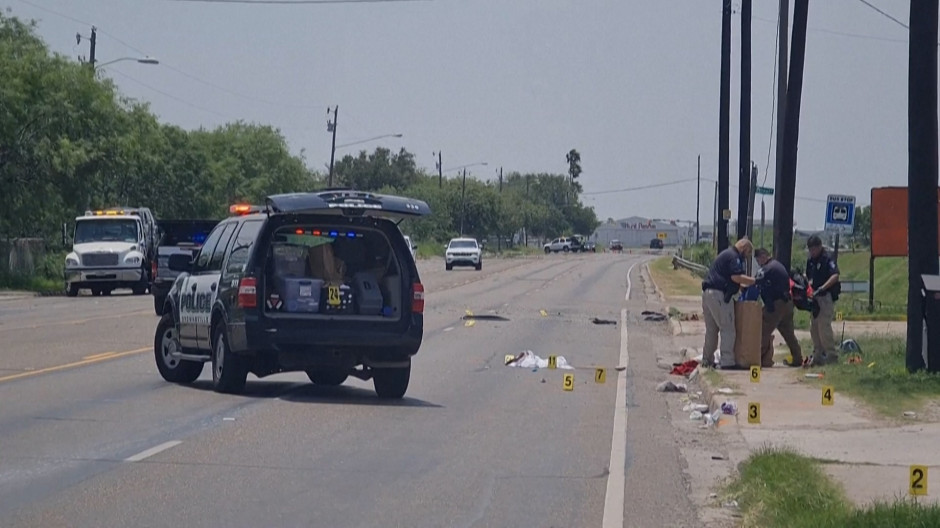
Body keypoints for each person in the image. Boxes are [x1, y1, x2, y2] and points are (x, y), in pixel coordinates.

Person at [701, 238, 756, 369]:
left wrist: (740, 287)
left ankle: (707, 359)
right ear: (743, 247)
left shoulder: (725, 254)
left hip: (708, 294)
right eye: (748, 252)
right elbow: (736, 277)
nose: (747, 256)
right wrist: (754, 281)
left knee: (712, 330)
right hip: (719, 295)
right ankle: (727, 361)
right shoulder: (734, 256)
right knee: (728, 328)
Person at [754, 248, 803, 368]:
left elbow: (756, 280)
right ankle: (797, 358)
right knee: (789, 334)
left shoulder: (768, 268)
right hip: (787, 303)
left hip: (777, 305)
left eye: (758, 259)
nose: (758, 262)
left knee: (762, 331)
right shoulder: (777, 265)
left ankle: (756, 359)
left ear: (764, 256)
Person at [806, 235, 841, 365]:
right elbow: (809, 277)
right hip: (814, 297)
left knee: (823, 327)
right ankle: (818, 355)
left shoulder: (827, 259)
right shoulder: (810, 261)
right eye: (810, 250)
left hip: (825, 296)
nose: (812, 252)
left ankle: (831, 355)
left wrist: (822, 288)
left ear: (819, 247)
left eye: (814, 249)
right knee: (813, 328)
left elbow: (835, 276)